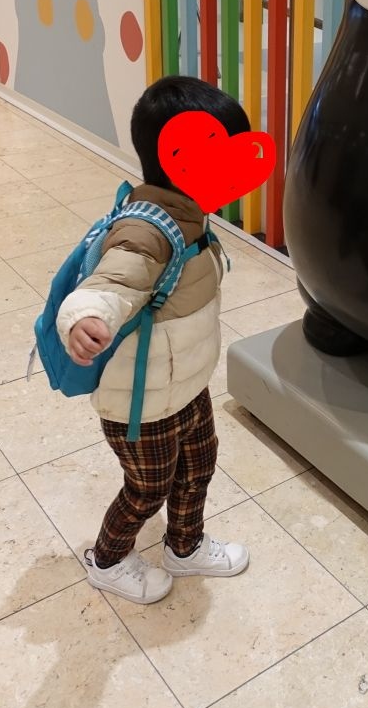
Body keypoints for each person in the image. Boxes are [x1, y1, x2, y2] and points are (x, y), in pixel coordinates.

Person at [56, 76, 250, 604]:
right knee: (147, 489)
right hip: (141, 404)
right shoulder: (148, 231)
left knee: (198, 467)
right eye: (225, 156)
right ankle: (107, 560)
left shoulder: (191, 215)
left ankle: (185, 547)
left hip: (184, 384)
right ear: (185, 159)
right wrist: (87, 317)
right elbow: (112, 282)